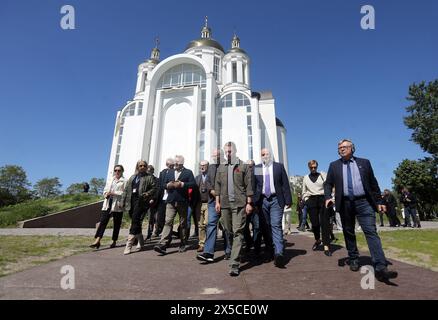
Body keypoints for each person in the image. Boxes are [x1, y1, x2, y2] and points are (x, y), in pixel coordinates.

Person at [324, 139, 398, 282]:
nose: (341, 149)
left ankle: (381, 266)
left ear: (352, 148)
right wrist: (328, 197)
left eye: (345, 147)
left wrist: (380, 201)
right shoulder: (334, 166)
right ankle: (353, 258)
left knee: (371, 231)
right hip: (344, 203)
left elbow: (373, 183)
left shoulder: (364, 163)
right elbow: (328, 183)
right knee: (348, 231)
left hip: (364, 202)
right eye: (339, 148)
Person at [214, 142, 253, 276]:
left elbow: (248, 185)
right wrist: (217, 202)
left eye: (230, 151)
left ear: (235, 151)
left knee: (238, 231)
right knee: (228, 231)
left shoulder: (243, 166)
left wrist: (249, 203)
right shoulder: (221, 167)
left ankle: (234, 263)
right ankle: (237, 251)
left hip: (239, 203)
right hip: (224, 204)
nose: (228, 153)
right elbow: (217, 186)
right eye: (226, 151)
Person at [253, 148, 292, 267]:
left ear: (271, 155)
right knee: (266, 226)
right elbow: (255, 186)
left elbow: (285, 183)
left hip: (276, 199)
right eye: (262, 154)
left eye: (267, 154)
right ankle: (270, 250)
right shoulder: (258, 168)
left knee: (275, 225)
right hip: (262, 200)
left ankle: (279, 253)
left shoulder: (278, 167)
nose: (265, 156)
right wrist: (253, 202)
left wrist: (288, 199)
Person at [154, 155, 196, 254]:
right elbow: (162, 184)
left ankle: (183, 242)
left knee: (183, 223)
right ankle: (163, 244)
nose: (175, 165)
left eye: (177, 163)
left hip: (183, 202)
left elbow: (193, 185)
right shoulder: (170, 172)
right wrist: (168, 185)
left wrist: (182, 184)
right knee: (168, 221)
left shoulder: (188, 172)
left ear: (182, 163)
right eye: (175, 162)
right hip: (171, 201)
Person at [196, 148, 232, 263]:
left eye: (217, 155)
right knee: (211, 225)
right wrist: (213, 191)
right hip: (212, 201)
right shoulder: (210, 167)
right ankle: (208, 253)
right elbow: (208, 182)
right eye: (214, 156)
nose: (215, 158)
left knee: (227, 226)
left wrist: (221, 196)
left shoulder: (228, 165)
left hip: (226, 200)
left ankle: (228, 251)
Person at [122, 160, 158, 255]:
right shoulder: (133, 177)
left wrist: (147, 194)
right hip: (131, 202)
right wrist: (122, 201)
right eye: (140, 165)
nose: (142, 167)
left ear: (146, 167)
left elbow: (154, 188)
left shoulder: (149, 177)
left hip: (142, 201)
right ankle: (141, 240)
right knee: (136, 221)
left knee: (135, 220)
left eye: (144, 165)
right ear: (137, 167)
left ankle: (129, 245)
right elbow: (126, 190)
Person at [90, 165, 126, 249]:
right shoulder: (110, 180)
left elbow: (125, 193)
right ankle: (98, 240)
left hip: (117, 204)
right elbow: (105, 190)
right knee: (103, 222)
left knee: (116, 223)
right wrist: (106, 194)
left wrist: (114, 193)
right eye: (115, 170)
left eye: (119, 170)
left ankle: (114, 241)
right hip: (108, 203)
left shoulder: (124, 181)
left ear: (122, 171)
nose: (117, 172)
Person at [302, 160, 331, 256]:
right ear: (308, 167)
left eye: (315, 167)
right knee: (314, 223)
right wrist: (306, 199)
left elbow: (329, 186)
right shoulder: (305, 178)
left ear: (317, 166)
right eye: (311, 167)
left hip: (323, 199)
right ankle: (318, 239)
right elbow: (304, 191)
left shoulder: (323, 175)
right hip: (311, 200)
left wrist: (329, 198)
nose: (313, 169)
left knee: (325, 223)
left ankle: (326, 245)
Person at [193, 160, 211, 252]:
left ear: (208, 166)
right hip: (199, 203)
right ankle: (201, 244)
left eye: (204, 165)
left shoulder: (211, 177)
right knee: (200, 225)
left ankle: (209, 243)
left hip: (209, 203)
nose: (202, 167)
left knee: (207, 223)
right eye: (201, 165)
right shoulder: (197, 178)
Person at [156, 158, 175, 236]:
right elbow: (160, 185)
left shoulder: (175, 172)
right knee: (160, 216)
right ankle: (163, 230)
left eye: (172, 165)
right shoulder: (162, 172)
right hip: (162, 197)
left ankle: (167, 233)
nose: (171, 167)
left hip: (170, 197)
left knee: (169, 217)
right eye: (169, 165)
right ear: (166, 165)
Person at [145, 165, 160, 240]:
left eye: (150, 171)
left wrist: (153, 199)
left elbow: (157, 191)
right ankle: (149, 233)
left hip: (156, 202)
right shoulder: (144, 180)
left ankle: (156, 231)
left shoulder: (157, 180)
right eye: (148, 171)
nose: (149, 172)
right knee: (150, 219)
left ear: (153, 171)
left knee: (156, 218)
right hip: (147, 202)